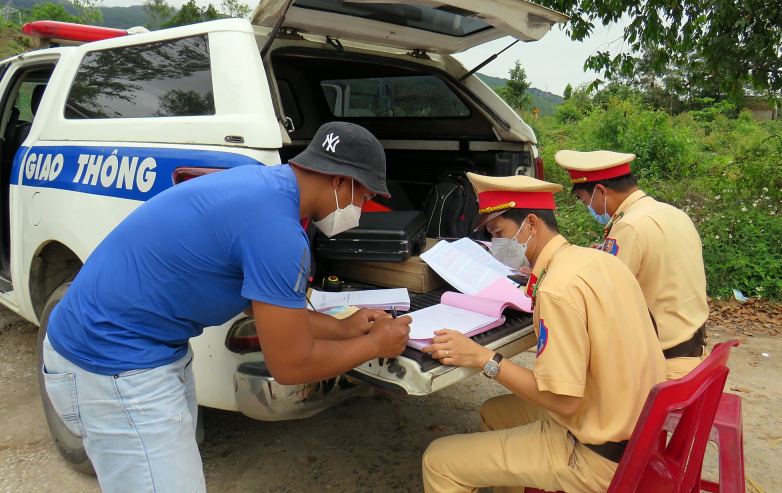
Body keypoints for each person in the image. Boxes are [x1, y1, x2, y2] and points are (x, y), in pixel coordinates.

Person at [41, 122, 412, 493]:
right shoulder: (278, 231)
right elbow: (291, 365)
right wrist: (376, 345)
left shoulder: (265, 188)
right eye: (364, 198)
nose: (362, 210)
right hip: (113, 363)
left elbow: (261, 308)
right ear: (341, 182)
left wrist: (345, 328)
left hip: (129, 347)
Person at [420, 174, 665, 493]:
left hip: (597, 454)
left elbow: (562, 402)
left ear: (531, 225)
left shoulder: (556, 288)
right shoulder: (599, 259)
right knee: (494, 412)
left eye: (499, 233)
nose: (497, 245)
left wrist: (484, 358)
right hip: (634, 424)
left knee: (439, 461)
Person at [554, 150, 709, 380]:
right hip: (694, 355)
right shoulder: (672, 213)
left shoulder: (628, 227)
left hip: (663, 369)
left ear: (600, 191)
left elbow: (603, 301)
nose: (590, 209)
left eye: (585, 201)